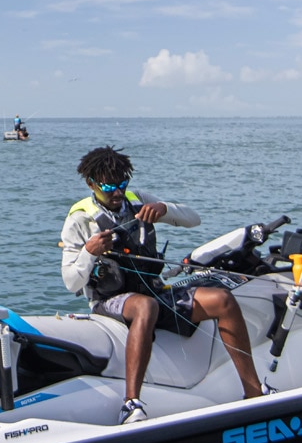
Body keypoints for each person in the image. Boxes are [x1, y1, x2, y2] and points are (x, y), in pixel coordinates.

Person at [60, 145, 264, 424]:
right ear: (91, 184)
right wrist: (89, 252)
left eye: (123, 184)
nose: (118, 193)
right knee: (144, 307)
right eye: (110, 187)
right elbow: (71, 282)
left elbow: (194, 219)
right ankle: (131, 404)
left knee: (222, 300)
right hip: (111, 301)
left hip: (154, 291)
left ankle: (253, 392)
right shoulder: (79, 219)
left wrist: (164, 208)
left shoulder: (138, 200)